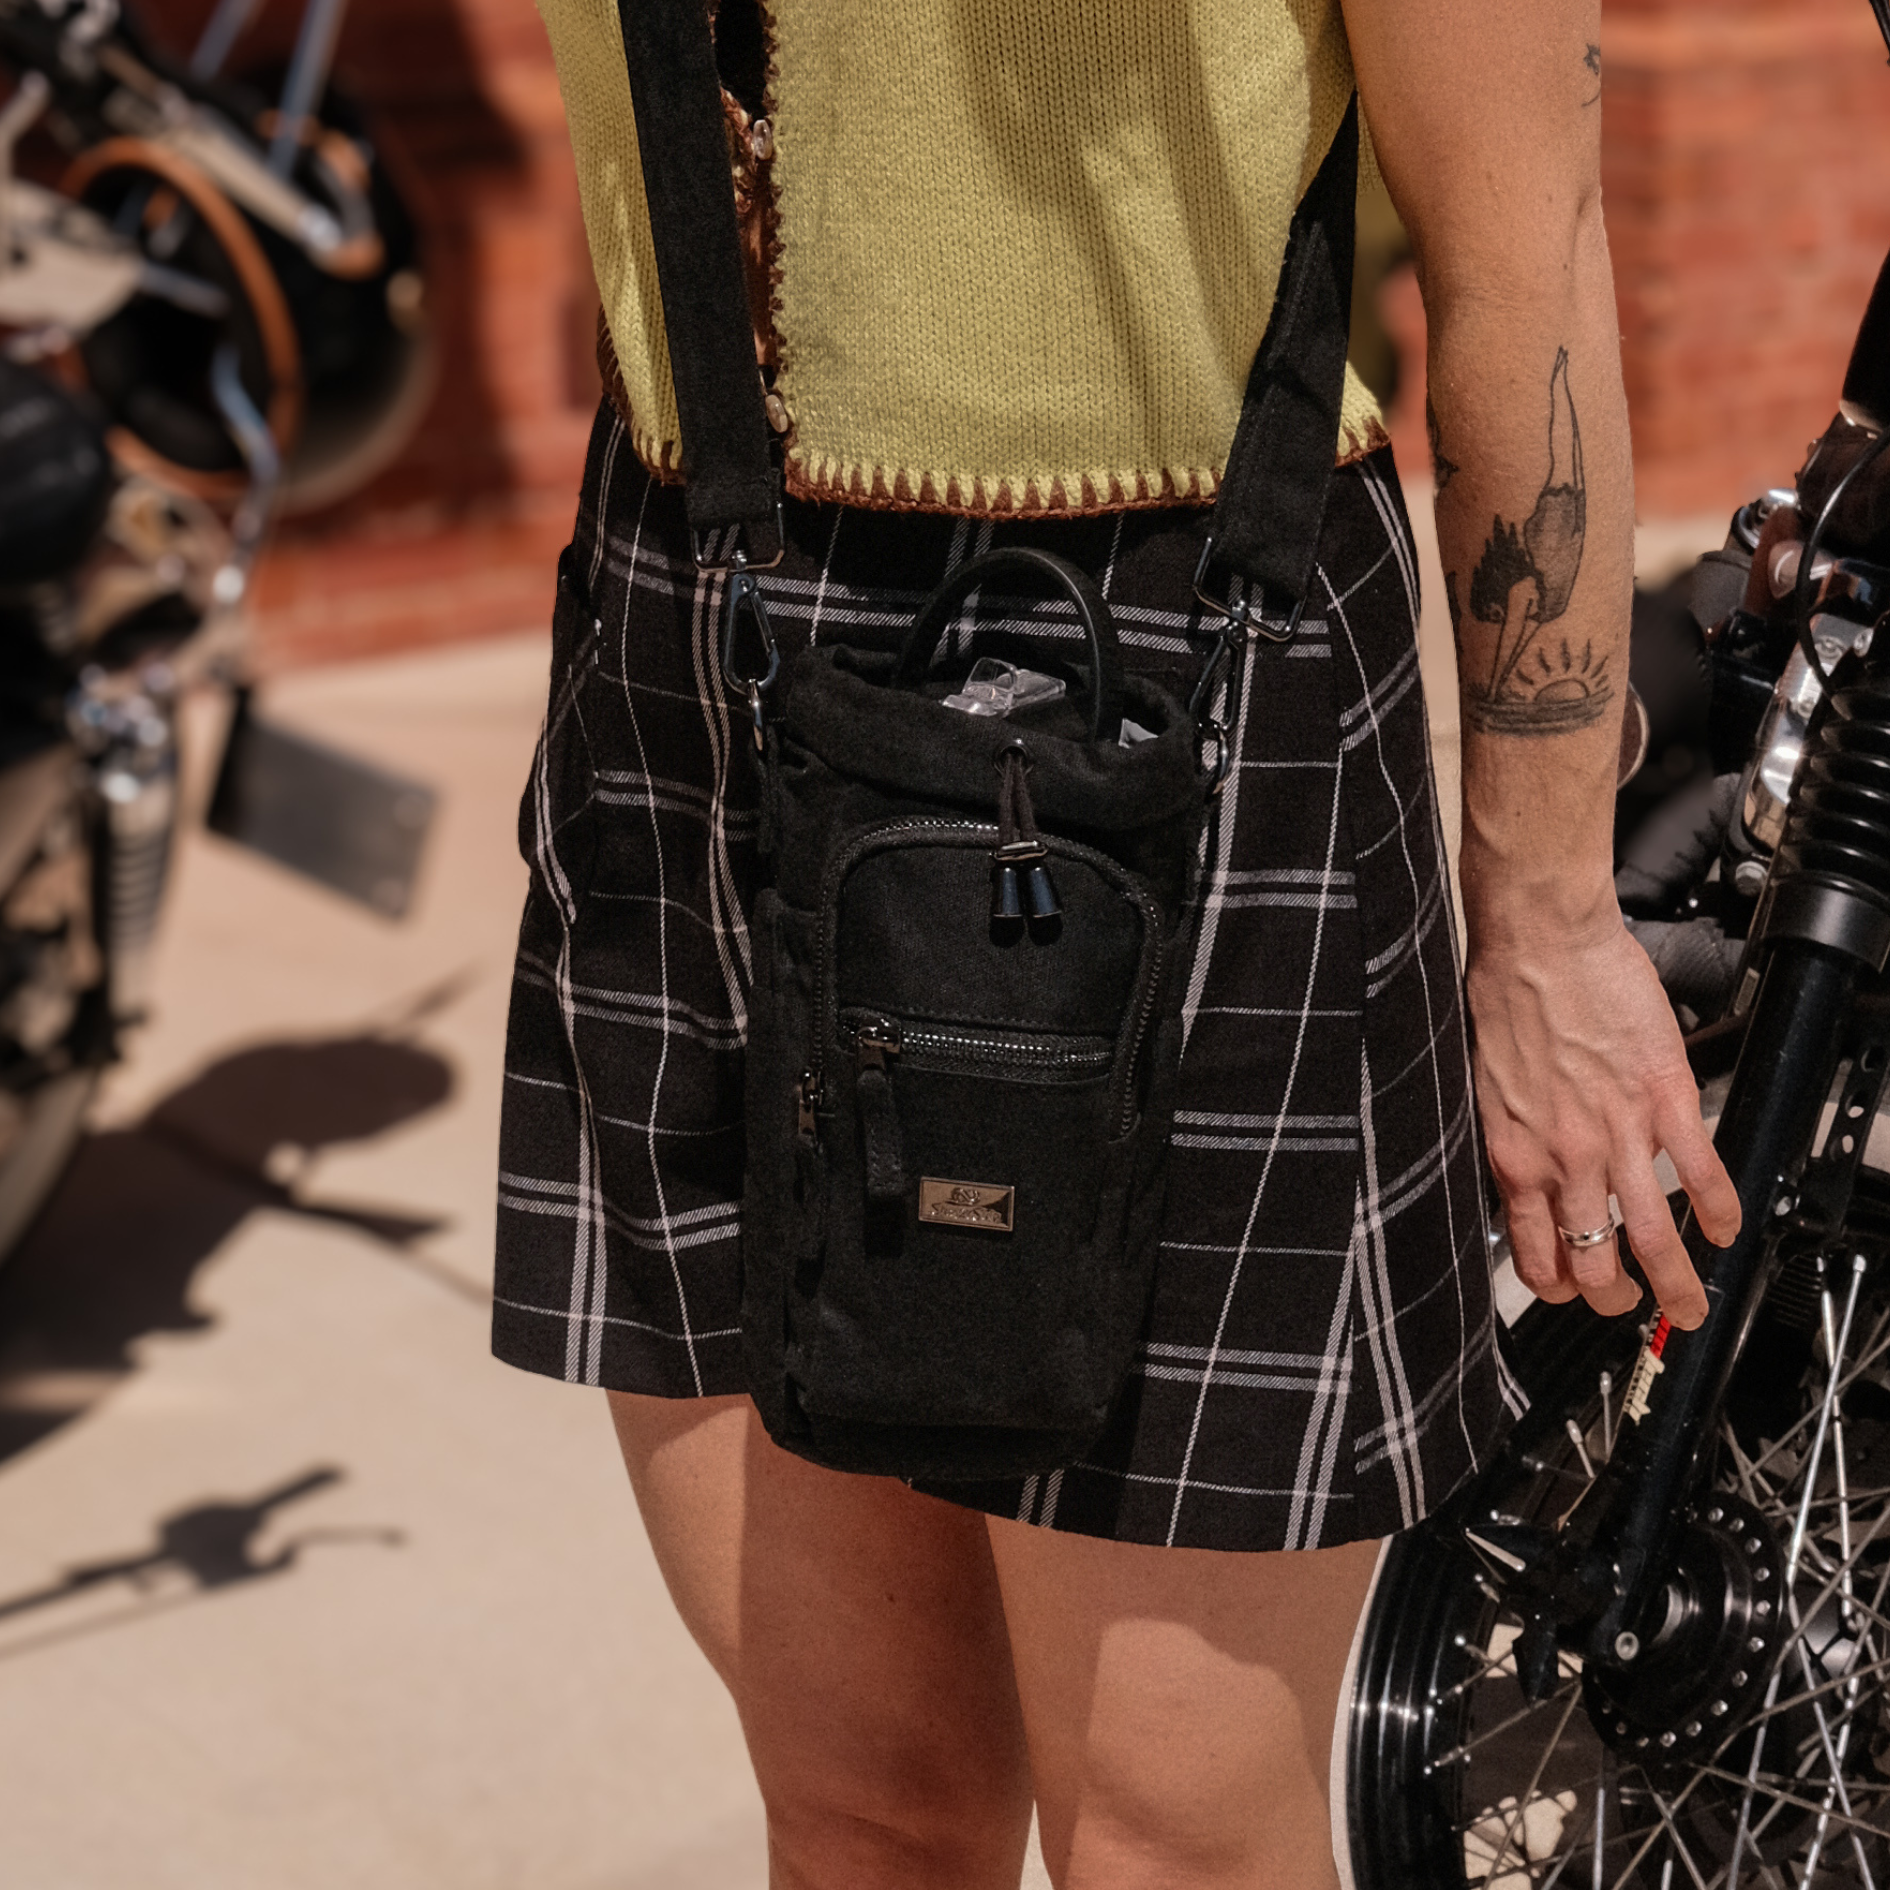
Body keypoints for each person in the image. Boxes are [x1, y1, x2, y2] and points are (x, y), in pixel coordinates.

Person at [493, 1, 1742, 1882]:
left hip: (1177, 665)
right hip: (689, 629)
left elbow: (1521, 252)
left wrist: (1548, 916)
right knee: (862, 1803)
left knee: (1173, 1834)